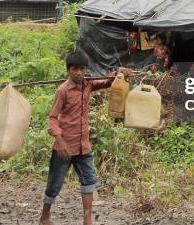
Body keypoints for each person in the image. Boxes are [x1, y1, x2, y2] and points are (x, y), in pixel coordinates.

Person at [40, 52, 130, 225]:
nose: (79, 73)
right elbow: (52, 118)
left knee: (89, 181)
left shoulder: (87, 85)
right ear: (68, 71)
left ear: (86, 69)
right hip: (64, 146)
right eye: (75, 69)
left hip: (83, 146)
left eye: (82, 69)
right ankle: (45, 216)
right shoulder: (63, 91)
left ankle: (87, 219)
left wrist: (120, 73)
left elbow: (107, 82)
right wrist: (59, 140)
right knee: (54, 183)